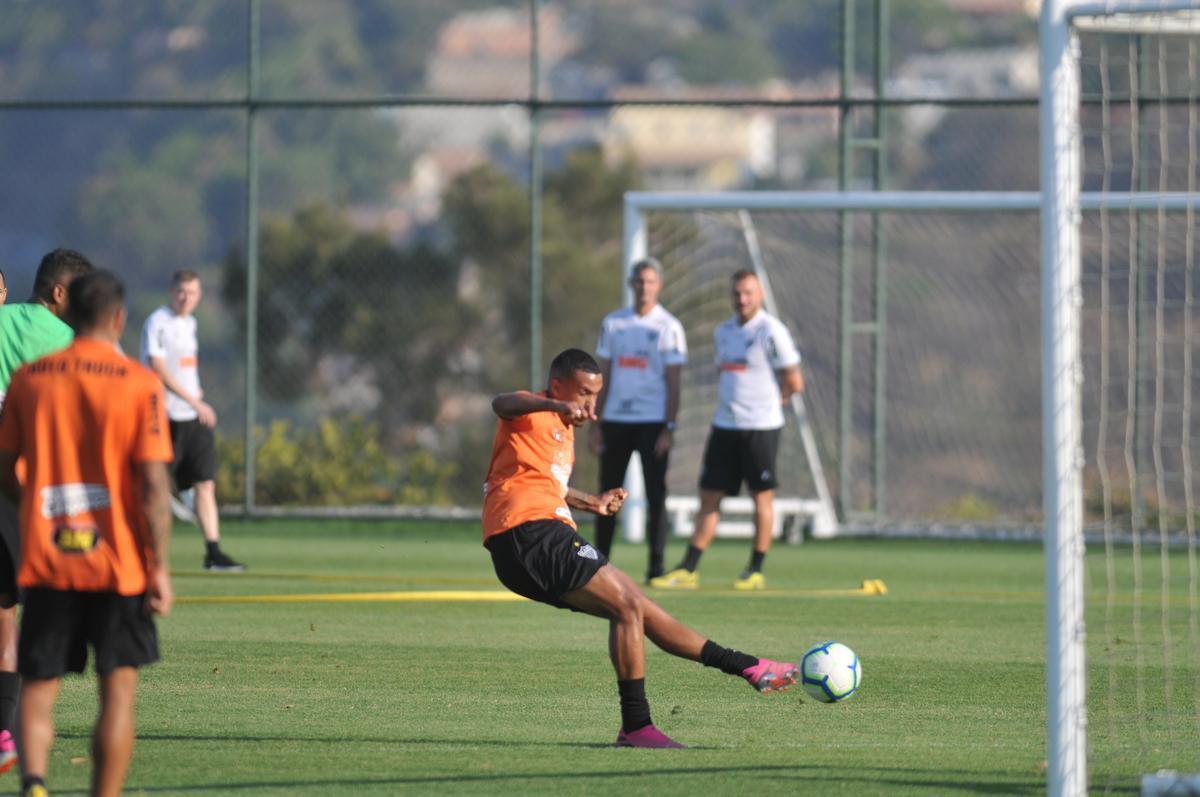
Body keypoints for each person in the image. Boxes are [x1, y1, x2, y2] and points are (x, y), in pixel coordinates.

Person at [483, 347, 799, 749]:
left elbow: (546, 485)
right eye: (583, 394)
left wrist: (592, 502)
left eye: (596, 396)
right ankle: (636, 727)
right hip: (528, 533)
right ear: (559, 386)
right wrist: (554, 403)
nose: (591, 406)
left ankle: (747, 666)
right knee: (630, 607)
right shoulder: (531, 410)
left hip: (531, 539)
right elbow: (500, 402)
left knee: (638, 609)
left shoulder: (565, 428)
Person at [0, 270, 174, 797]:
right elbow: (152, 487)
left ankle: (33, 782)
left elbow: (6, 469)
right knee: (117, 691)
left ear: (66, 311)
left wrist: (34, 502)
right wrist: (159, 565)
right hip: (117, 562)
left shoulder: (32, 379)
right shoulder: (140, 384)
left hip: (50, 559)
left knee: (39, 684)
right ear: (118, 318)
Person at [0, 248, 95, 776]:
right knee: (12, 615)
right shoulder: (72, 345)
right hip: (28, 493)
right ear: (59, 293)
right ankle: (9, 730)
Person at [650, 270, 804, 592]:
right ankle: (689, 568)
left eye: (748, 293)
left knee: (761, 497)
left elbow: (794, 381)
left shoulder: (771, 331)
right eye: (737, 293)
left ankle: (755, 569)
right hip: (724, 426)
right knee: (709, 497)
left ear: (760, 294)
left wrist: (772, 402)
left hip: (760, 428)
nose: (742, 299)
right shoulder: (724, 332)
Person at [588, 258, 686, 582]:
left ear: (659, 285)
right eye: (639, 281)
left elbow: (674, 381)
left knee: (656, 494)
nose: (644, 287)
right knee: (607, 492)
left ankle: (655, 568)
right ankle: (599, 564)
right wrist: (596, 423)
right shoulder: (614, 323)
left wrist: (669, 427)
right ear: (631, 284)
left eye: (650, 281)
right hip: (616, 420)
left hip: (653, 422)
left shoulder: (668, 327)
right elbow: (605, 375)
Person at [140, 270, 244, 572]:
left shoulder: (191, 324)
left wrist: (195, 398)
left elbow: (184, 368)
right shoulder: (157, 322)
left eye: (193, 292)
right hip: (164, 417)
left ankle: (213, 552)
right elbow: (157, 368)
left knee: (205, 484)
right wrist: (193, 400)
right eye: (181, 291)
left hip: (192, 418)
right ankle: (141, 552)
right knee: (152, 488)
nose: (186, 298)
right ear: (171, 291)